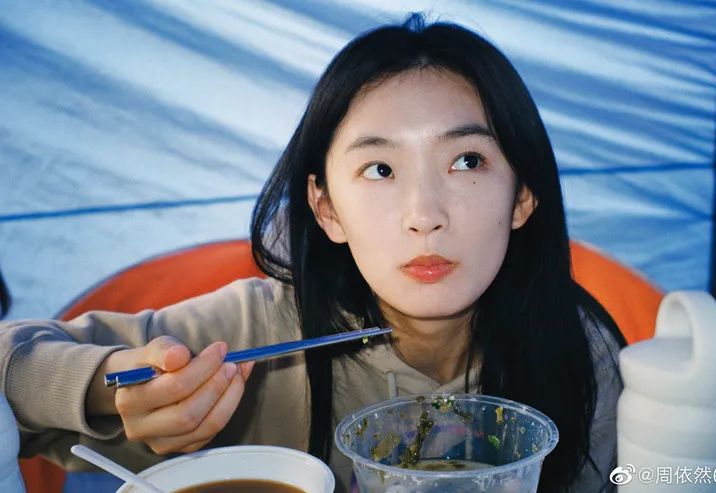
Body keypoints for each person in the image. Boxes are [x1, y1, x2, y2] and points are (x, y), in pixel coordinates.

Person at [0, 13, 625, 493]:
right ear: (328, 210)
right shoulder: (255, 335)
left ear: (522, 197)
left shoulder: (584, 352)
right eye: (380, 169)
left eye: (467, 161)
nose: (424, 215)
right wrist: (111, 390)